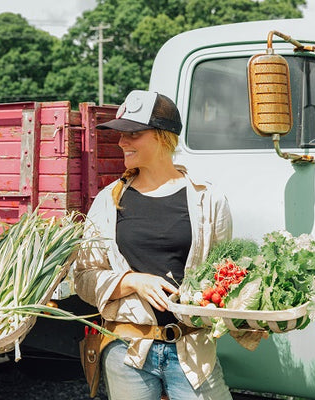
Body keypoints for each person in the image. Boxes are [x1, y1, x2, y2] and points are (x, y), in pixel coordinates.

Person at [74, 90, 234, 400]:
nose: (121, 142)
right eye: (120, 134)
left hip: (193, 353)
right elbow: (83, 278)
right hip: (128, 352)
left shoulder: (208, 200)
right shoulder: (108, 201)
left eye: (132, 133)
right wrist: (131, 280)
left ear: (163, 136)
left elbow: (225, 275)